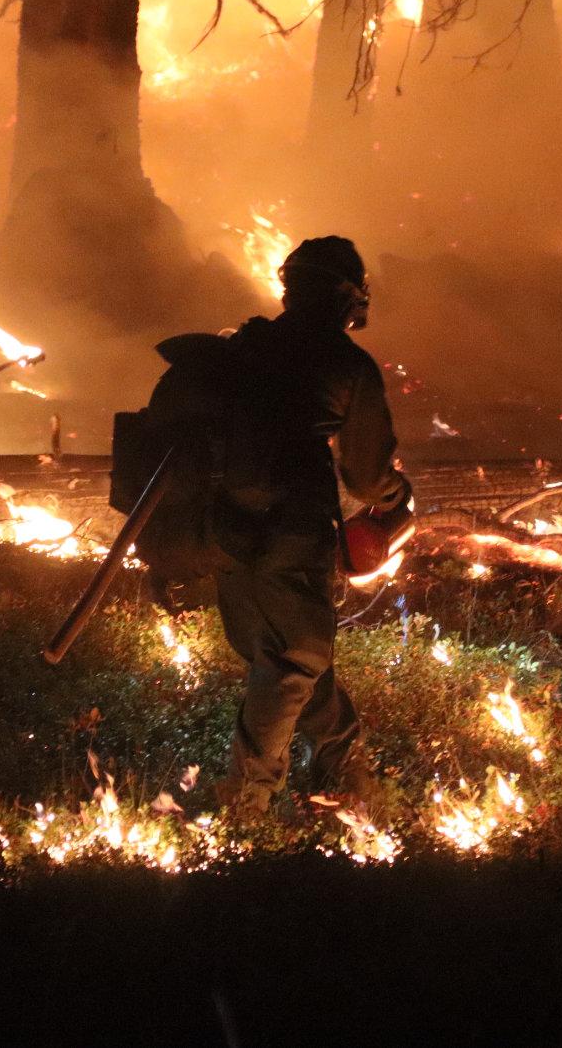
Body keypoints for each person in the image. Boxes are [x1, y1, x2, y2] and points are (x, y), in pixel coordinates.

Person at [206, 236, 412, 818]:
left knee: (289, 655)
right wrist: (400, 494)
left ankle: (345, 771)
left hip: (226, 525)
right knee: (294, 659)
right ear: (349, 298)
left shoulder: (247, 347)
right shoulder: (347, 363)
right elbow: (368, 478)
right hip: (290, 530)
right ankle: (248, 805)